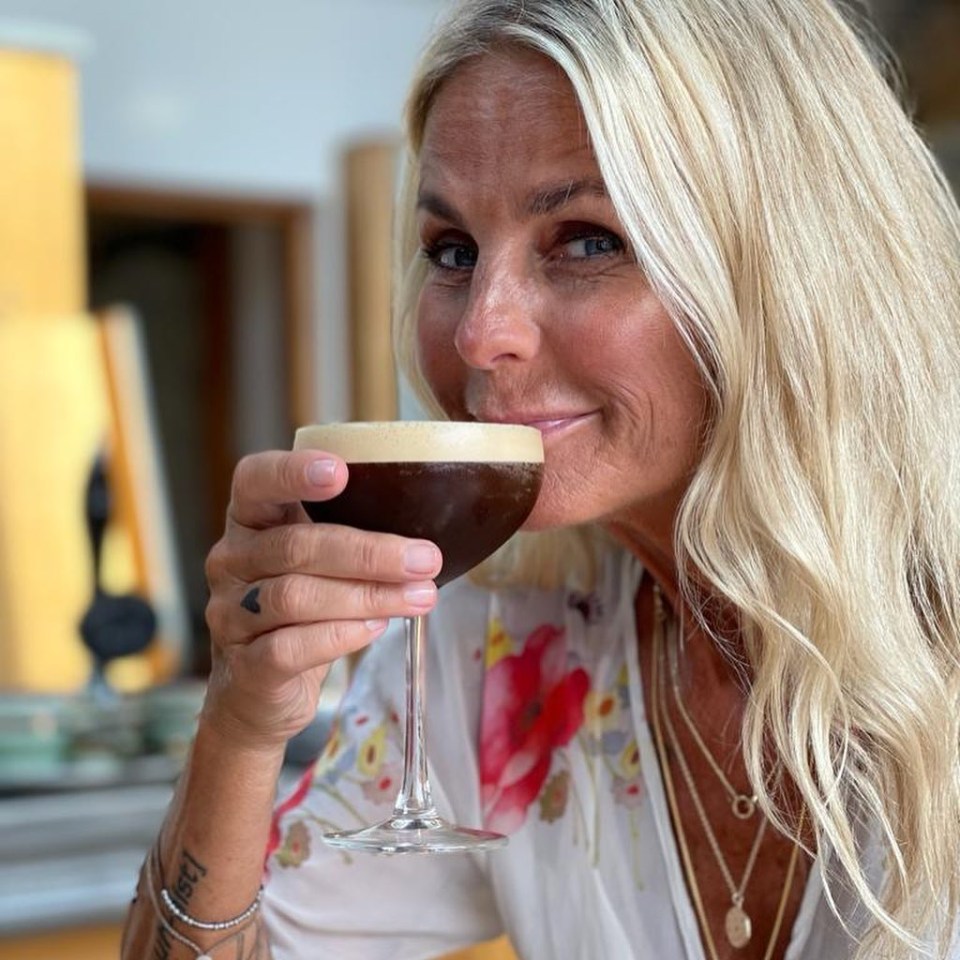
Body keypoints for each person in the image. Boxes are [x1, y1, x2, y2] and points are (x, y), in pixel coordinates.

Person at [121, 0, 960, 957]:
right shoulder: (499, 635)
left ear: (789, 265)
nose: (482, 332)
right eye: (452, 252)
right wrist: (240, 722)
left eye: (588, 239)